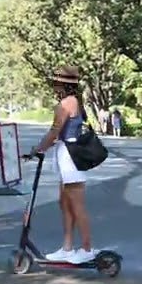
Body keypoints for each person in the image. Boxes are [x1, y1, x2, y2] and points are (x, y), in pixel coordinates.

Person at [32, 65, 97, 263]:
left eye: (56, 81)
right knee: (65, 204)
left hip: (70, 156)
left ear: (63, 84)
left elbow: (54, 130)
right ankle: (67, 248)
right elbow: (58, 133)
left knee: (76, 205)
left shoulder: (67, 103)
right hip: (64, 154)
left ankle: (86, 248)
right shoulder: (71, 101)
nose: (53, 85)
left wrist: (38, 148)